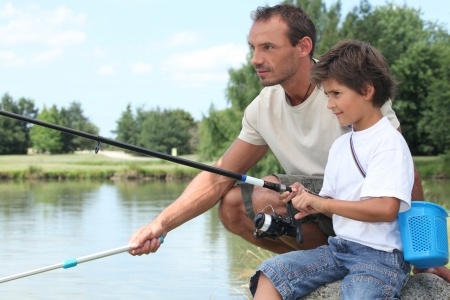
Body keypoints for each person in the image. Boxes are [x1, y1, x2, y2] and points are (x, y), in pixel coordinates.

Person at [128, 3, 450, 282]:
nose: (256, 58)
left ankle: (375, 263)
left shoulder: (349, 90)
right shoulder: (262, 108)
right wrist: (161, 224)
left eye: (268, 47)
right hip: (317, 210)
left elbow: (403, 168)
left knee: (267, 188)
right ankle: (328, 263)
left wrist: (421, 259)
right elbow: (218, 176)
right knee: (232, 205)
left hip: (367, 210)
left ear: (303, 46)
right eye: (253, 47)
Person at [250, 39, 413, 300]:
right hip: (338, 250)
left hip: (381, 258)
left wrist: (324, 205)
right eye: (327, 95)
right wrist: (307, 200)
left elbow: (385, 208)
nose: (329, 104)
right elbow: (330, 201)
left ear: (367, 90)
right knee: (271, 273)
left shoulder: (389, 143)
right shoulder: (341, 145)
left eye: (336, 94)